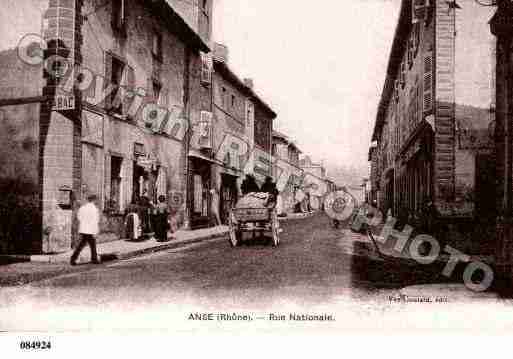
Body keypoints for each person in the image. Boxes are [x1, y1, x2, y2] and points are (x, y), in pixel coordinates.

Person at [70, 194, 100, 265]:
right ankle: (93, 259)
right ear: (94, 200)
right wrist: (95, 231)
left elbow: (79, 217)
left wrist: (84, 223)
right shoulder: (94, 209)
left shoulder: (83, 208)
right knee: (89, 244)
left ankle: (74, 258)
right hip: (90, 230)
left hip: (83, 229)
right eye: (96, 200)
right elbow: (96, 221)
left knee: (85, 244)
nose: (96, 202)